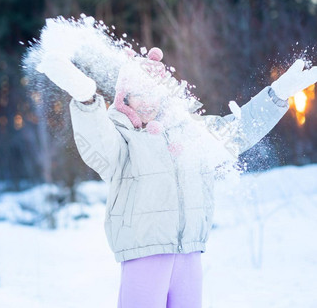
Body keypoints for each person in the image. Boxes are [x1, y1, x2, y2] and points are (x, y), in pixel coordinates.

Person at [37, 47, 317, 308]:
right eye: (139, 93)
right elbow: (98, 141)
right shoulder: (122, 140)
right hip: (145, 254)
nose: (148, 101)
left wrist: (277, 95)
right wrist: (87, 100)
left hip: (190, 253)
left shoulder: (191, 132)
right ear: (125, 98)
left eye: (153, 92)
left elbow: (237, 131)